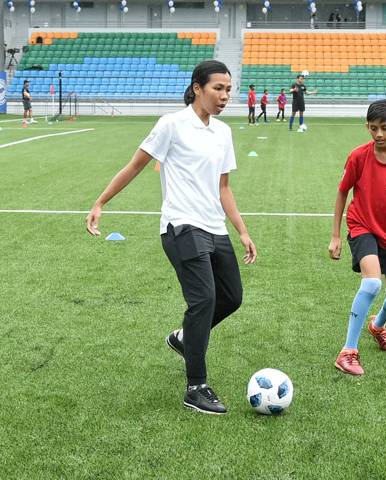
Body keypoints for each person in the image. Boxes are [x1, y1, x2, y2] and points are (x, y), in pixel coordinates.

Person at [85, 60, 257, 415]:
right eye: (218, 89)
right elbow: (135, 166)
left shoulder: (223, 132)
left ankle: (183, 338)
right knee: (204, 300)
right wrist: (101, 202)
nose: (225, 96)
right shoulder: (171, 124)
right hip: (181, 226)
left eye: (228, 90)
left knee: (232, 297)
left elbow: (224, 186)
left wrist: (241, 230)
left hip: (214, 226)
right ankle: (196, 387)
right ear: (197, 88)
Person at [328, 99, 386, 376]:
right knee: (371, 284)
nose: (378, 134)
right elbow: (343, 191)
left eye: (384, 128)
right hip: (362, 225)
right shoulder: (358, 156)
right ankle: (347, 352)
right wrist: (335, 236)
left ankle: (377, 326)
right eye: (372, 128)